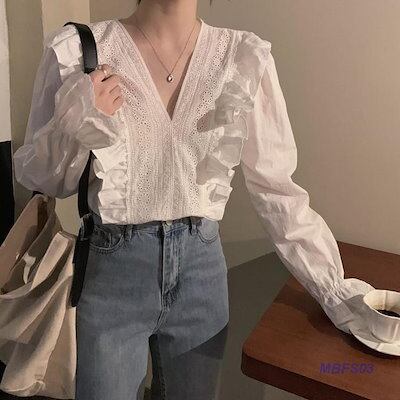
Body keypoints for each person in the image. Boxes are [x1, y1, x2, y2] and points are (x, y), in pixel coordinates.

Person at [12, 0, 375, 399]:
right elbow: (42, 179)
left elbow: (277, 190)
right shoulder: (78, 50)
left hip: (202, 276)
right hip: (112, 274)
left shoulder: (242, 57)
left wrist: (335, 292)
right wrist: (72, 124)